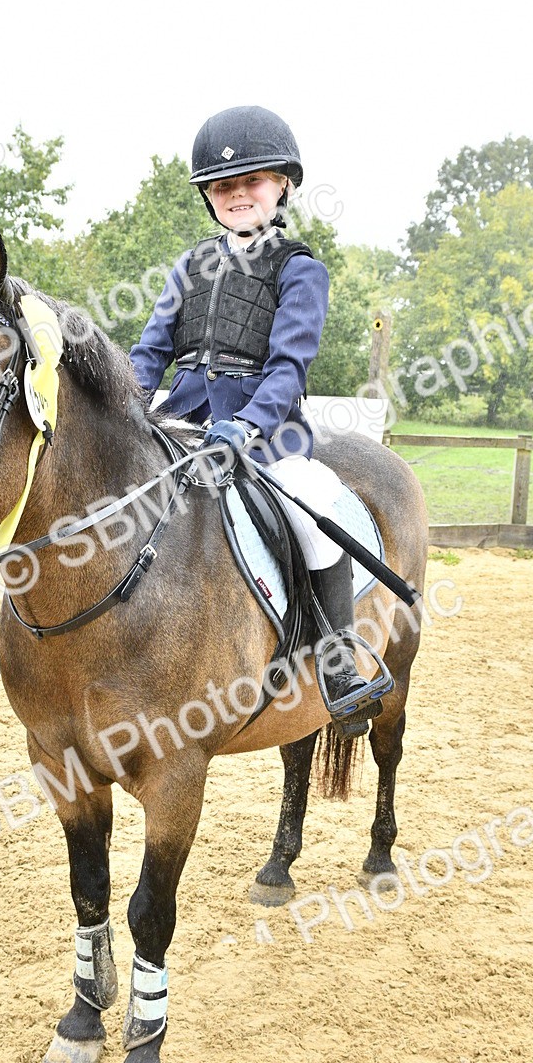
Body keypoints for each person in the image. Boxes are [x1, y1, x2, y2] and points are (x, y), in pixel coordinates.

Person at [128, 105, 384, 737]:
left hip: (265, 432)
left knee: (313, 501)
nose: (237, 194)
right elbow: (151, 351)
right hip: (181, 419)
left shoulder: (301, 268)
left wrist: (243, 427)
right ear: (209, 197)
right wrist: (127, 404)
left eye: (252, 181)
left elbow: (289, 365)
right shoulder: (189, 267)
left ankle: (336, 664)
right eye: (223, 186)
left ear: (283, 186)